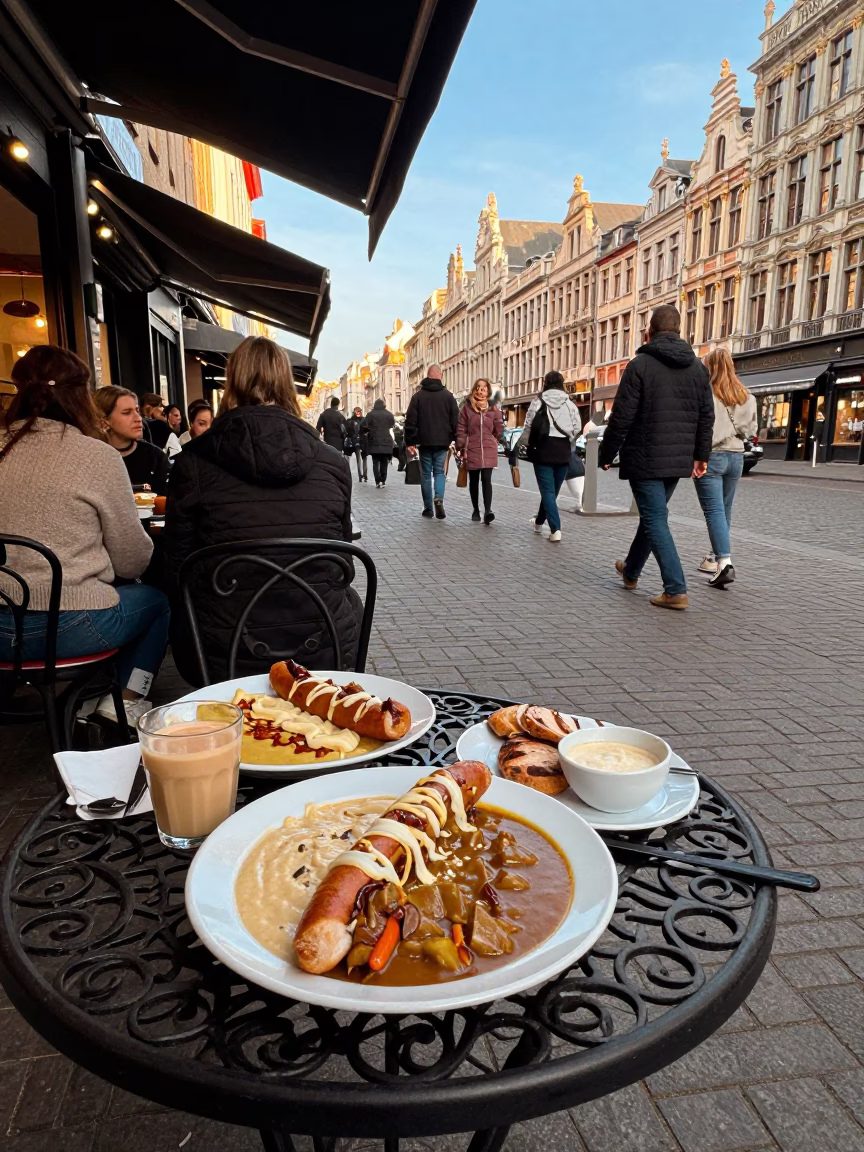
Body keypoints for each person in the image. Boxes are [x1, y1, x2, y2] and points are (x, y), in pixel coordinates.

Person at [164, 336, 359, 685]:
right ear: (287, 384)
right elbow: (341, 557)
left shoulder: (192, 463)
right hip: (322, 642)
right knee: (349, 599)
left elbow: (178, 567)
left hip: (225, 650)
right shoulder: (332, 463)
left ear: (232, 383)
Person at [0, 347, 169, 728]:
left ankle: (85, 695)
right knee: (156, 602)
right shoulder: (96, 456)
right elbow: (132, 561)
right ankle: (124, 700)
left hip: (1, 629)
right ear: (81, 396)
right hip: (74, 629)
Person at [600, 304, 714, 611]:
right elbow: (707, 417)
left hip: (645, 456)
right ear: (680, 332)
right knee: (654, 516)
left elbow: (621, 417)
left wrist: (606, 453)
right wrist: (701, 456)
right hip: (677, 459)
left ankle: (675, 589)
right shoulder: (698, 369)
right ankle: (631, 570)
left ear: (649, 332)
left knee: (654, 518)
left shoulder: (639, 366)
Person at [694, 348, 757, 590]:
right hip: (736, 456)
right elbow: (751, 430)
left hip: (711, 457)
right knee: (724, 509)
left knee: (713, 511)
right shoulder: (746, 395)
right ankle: (713, 557)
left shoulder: (706, 394)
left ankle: (724, 563)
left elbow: (699, 428)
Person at [523, 370, 582, 542]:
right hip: (563, 450)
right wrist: (569, 440)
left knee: (548, 492)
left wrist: (525, 444)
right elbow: (577, 427)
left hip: (542, 449)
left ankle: (556, 529)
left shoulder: (537, 402)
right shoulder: (569, 403)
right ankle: (539, 521)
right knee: (551, 492)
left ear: (545, 383)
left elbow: (529, 425)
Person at [404, 364, 458, 520]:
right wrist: (456, 440)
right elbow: (456, 421)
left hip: (424, 442)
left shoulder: (418, 397)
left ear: (427, 376)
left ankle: (428, 508)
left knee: (426, 474)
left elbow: (410, 422)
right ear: (440, 376)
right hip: (442, 442)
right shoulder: (448, 396)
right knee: (440, 472)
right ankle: (439, 497)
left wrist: (410, 442)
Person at [94, 386, 170, 495]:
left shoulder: (155, 457)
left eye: (137, 411)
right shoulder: (90, 459)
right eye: (127, 412)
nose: (138, 418)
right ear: (104, 422)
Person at [455, 378, 503, 524]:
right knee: (474, 480)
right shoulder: (467, 408)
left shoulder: (493, 409)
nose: (481, 391)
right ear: (474, 389)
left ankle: (488, 510)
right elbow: (462, 429)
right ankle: (476, 509)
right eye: (478, 387)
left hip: (488, 449)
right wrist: (461, 446)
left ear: (488, 391)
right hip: (472, 448)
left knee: (487, 479)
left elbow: (499, 428)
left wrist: (494, 440)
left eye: (484, 388)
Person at [364, 397, 395, 487]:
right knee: (384, 462)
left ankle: (377, 481)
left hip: (374, 440)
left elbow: (366, 425)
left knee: (375, 462)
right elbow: (391, 424)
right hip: (386, 440)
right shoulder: (388, 414)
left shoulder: (370, 414)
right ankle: (383, 480)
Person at [345, 406, 367, 483]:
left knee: (359, 458)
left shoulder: (362, 420)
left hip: (356, 441)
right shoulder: (352, 420)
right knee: (357, 459)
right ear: (354, 412)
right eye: (357, 411)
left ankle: (361, 474)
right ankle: (360, 474)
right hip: (354, 441)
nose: (358, 413)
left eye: (359, 411)